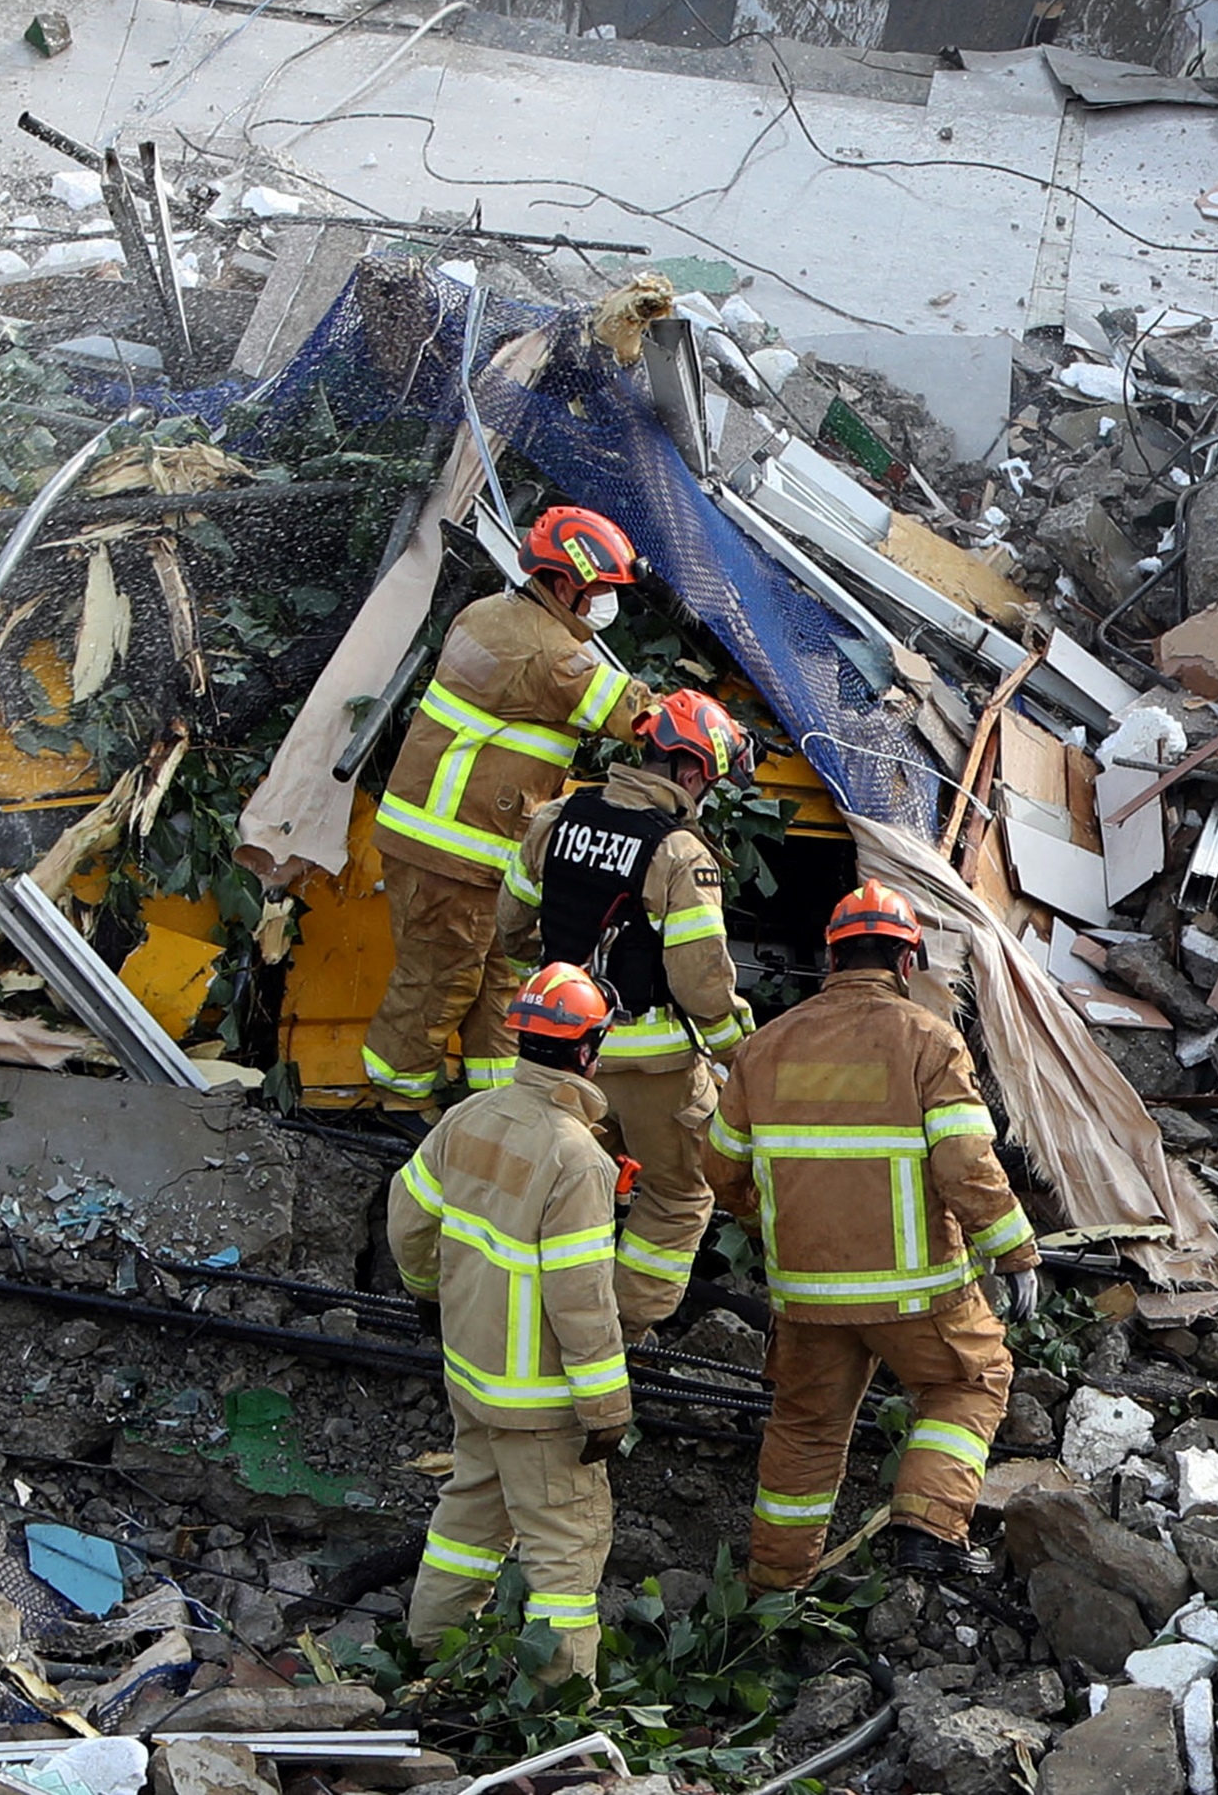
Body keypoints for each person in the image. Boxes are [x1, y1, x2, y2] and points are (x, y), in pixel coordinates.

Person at [703, 881, 1041, 1588]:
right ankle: (927, 1530)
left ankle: (774, 1586)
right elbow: (966, 1165)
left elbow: (721, 1169)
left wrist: (772, 1225)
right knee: (971, 1380)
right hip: (919, 1293)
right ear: (907, 958)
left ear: (832, 959)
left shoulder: (764, 1049)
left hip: (807, 1293)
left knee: (804, 1427)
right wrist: (1014, 1249)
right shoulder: (928, 1040)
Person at [364, 504, 657, 1115]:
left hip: (471, 851)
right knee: (438, 984)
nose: (605, 602)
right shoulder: (547, 652)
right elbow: (635, 716)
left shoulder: (489, 615)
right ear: (561, 584)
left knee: (500, 986)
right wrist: (708, 727)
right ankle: (397, 1109)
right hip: (455, 852)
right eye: (599, 589)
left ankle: (502, 1108)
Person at [390, 962, 631, 1684]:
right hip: (541, 1399)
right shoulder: (576, 1157)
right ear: (589, 1050)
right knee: (565, 1548)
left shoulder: (468, 1117)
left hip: (471, 1374)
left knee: (469, 1518)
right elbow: (581, 1299)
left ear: (520, 1036)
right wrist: (607, 1408)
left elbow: (407, 1221)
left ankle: (432, 1655)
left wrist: (428, 1292)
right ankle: (558, 1711)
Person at [497, 688, 758, 1338]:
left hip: (554, 1055)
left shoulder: (559, 817)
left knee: (559, 1188)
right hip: (651, 1071)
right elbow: (701, 984)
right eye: (711, 781)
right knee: (677, 1195)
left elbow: (509, 926)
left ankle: (524, 1320)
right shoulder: (678, 854)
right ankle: (614, 1337)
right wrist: (742, 1059)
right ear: (693, 771)